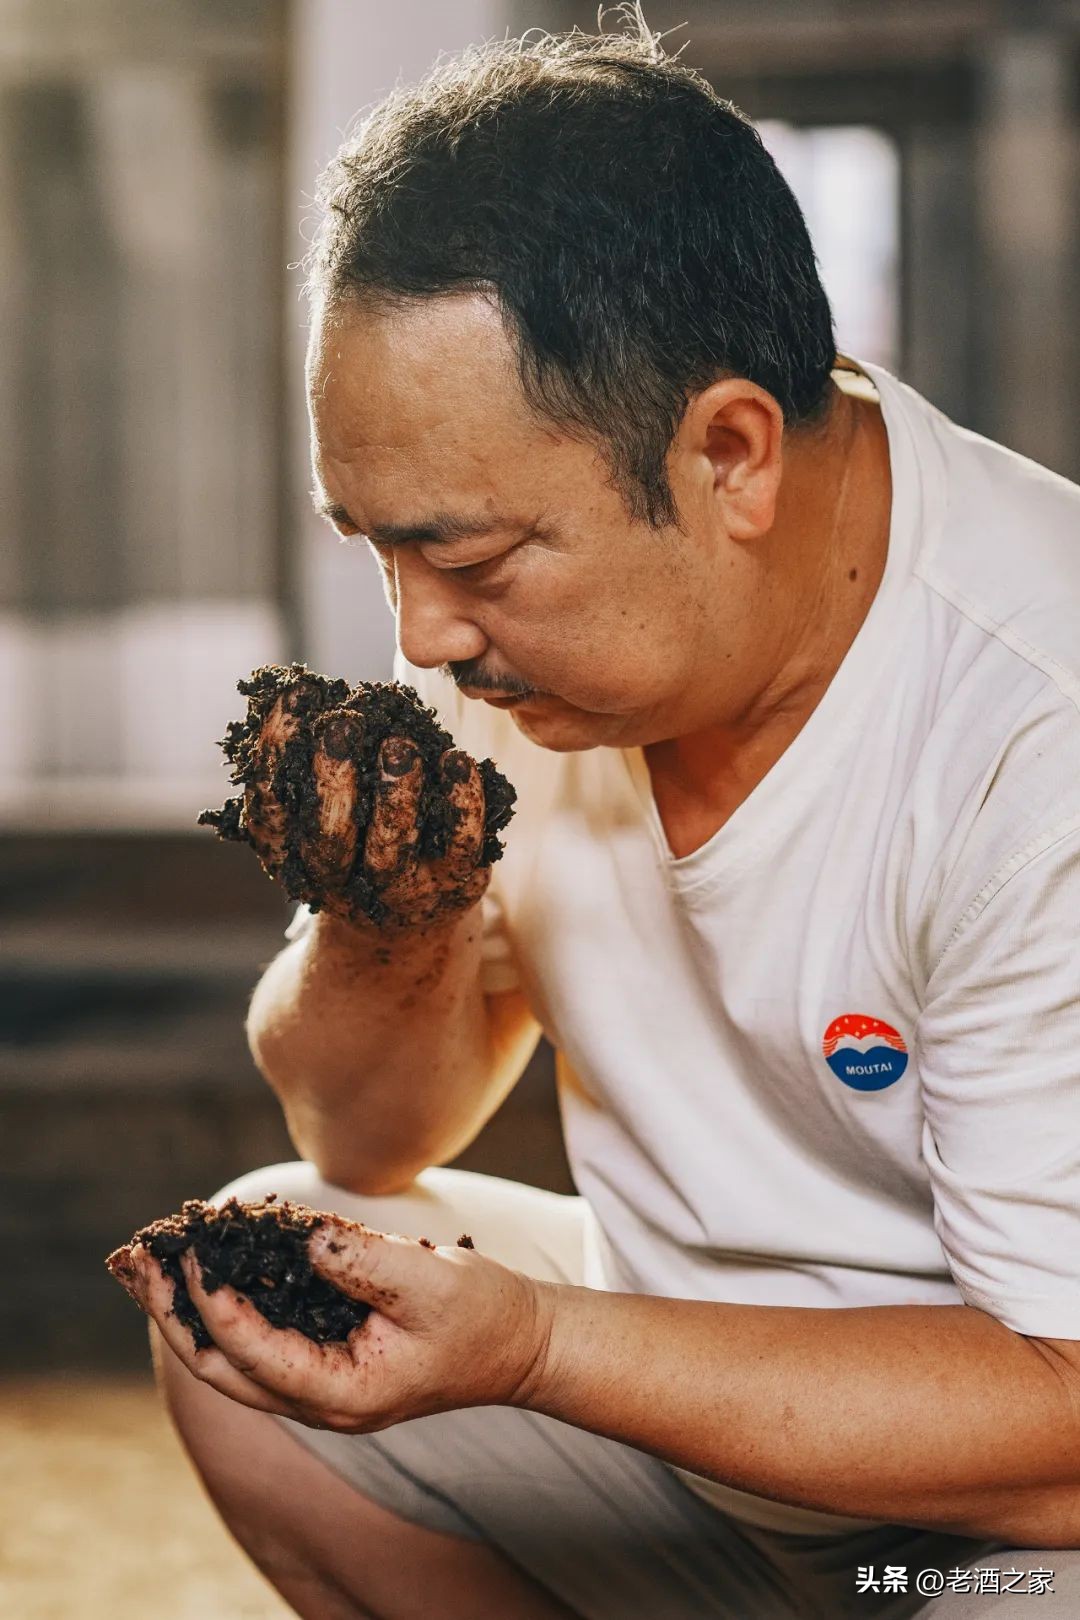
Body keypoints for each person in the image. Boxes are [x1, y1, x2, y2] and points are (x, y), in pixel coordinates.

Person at [127, 20, 1080, 1620]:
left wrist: (543, 1345)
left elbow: (1065, 1420)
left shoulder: (1033, 721)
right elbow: (364, 1141)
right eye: (375, 547)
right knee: (259, 1284)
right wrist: (395, 915)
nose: (421, 635)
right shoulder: (524, 653)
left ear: (729, 454)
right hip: (690, 1420)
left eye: (474, 561)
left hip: (1005, 1527)